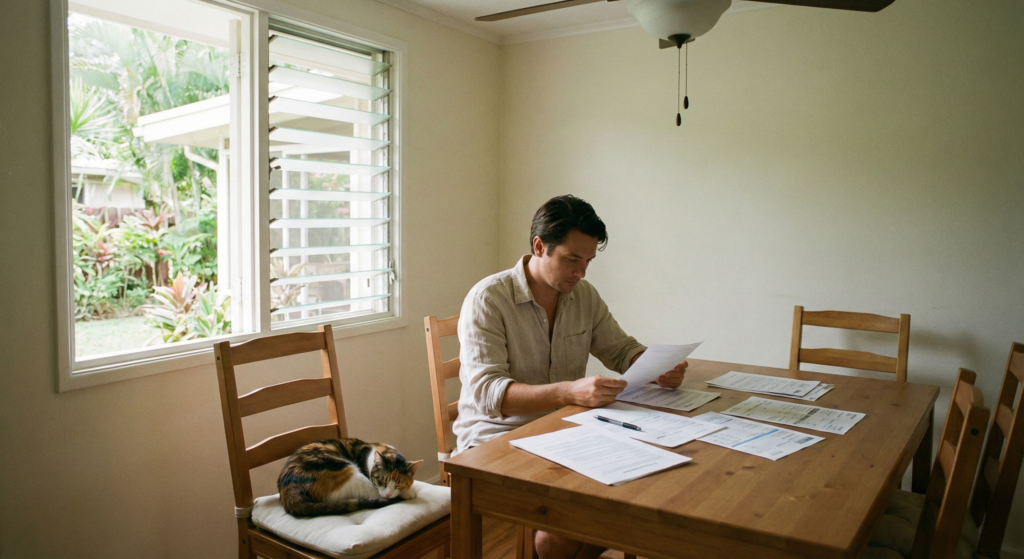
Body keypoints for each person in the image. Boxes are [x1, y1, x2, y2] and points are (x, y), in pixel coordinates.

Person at [452, 194, 687, 559]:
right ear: (539, 246)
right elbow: (490, 396)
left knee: (643, 490)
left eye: (588, 261)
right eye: (572, 259)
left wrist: (658, 368)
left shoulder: (584, 296)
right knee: (567, 530)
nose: (581, 272)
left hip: (565, 430)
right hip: (496, 440)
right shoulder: (488, 299)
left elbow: (621, 351)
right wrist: (569, 392)